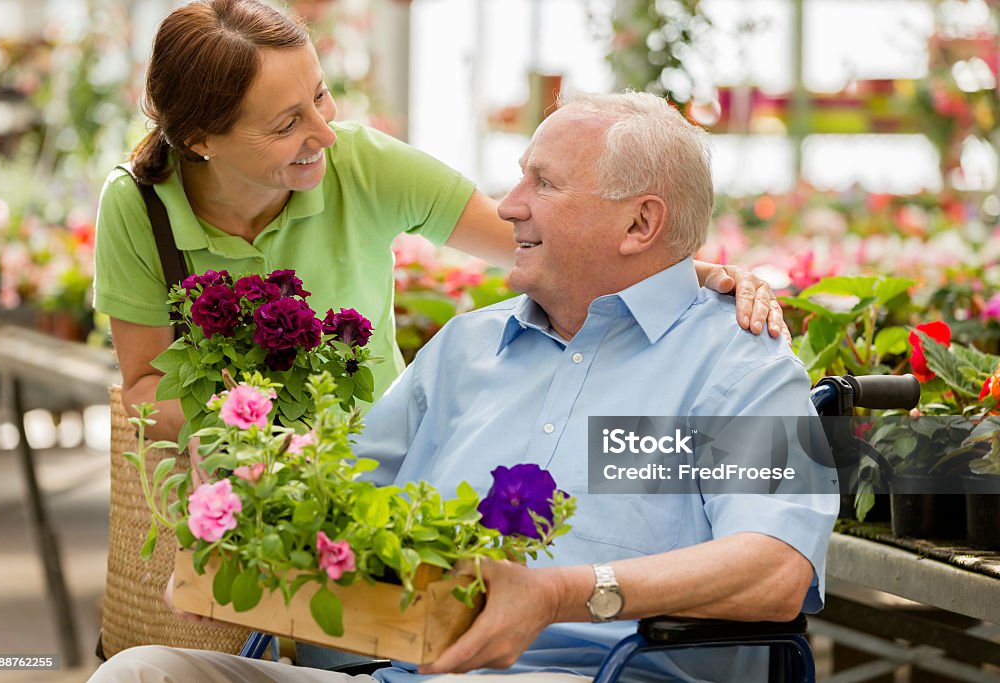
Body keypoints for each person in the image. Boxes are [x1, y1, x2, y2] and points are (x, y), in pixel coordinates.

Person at [88, 92, 837, 683]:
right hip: (402, 667)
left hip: (603, 672)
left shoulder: (739, 363)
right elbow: (347, 501)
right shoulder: (468, 348)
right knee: (143, 671)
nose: (509, 204)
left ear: (641, 223)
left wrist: (561, 592)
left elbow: (776, 566)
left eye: (543, 183)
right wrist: (254, 496)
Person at [94, 0, 788, 444]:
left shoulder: (363, 166)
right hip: (238, 486)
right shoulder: (139, 206)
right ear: (201, 140)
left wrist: (689, 270)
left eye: (321, 97)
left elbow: (534, 235)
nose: (324, 134)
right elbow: (145, 392)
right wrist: (258, 422)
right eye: (286, 124)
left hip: (377, 469)